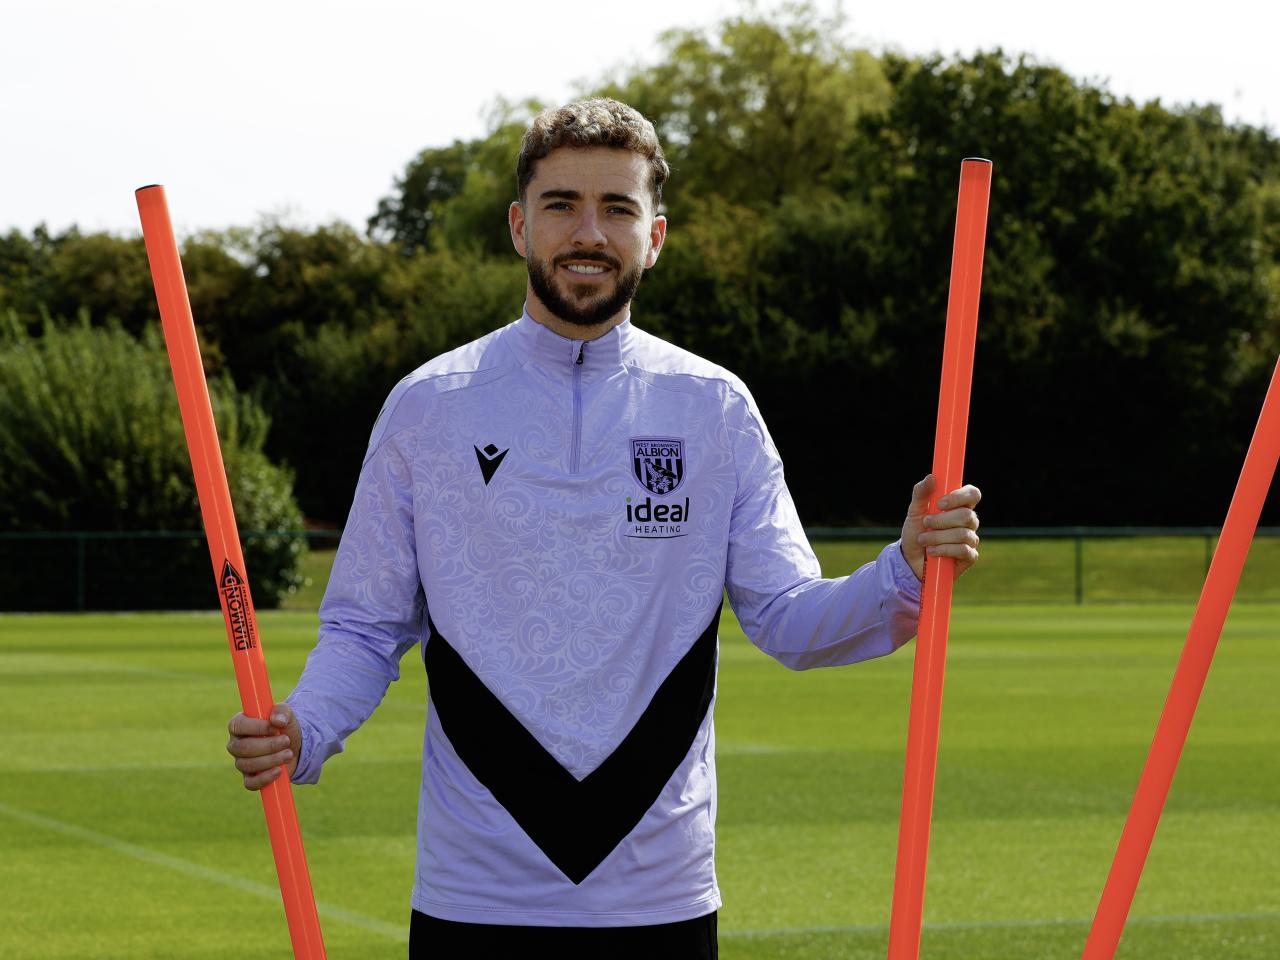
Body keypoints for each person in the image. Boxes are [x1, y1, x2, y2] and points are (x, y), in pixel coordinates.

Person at [226, 98, 981, 959]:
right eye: (562, 205)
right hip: (476, 901)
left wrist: (906, 568)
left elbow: (792, 619)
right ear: (519, 226)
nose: (589, 231)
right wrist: (304, 726)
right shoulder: (427, 407)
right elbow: (364, 626)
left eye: (618, 208)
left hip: (660, 902)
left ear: (654, 235)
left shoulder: (715, 407)